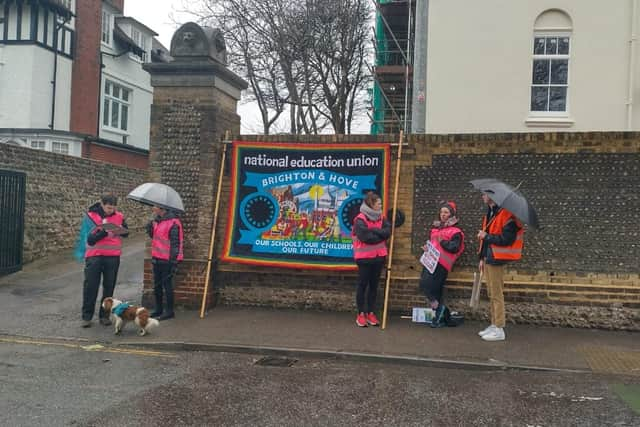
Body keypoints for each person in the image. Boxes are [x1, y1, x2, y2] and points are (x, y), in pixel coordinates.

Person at [476, 191, 524, 341]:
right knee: (491, 293)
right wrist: (482, 258)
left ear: (492, 196)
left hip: (497, 258)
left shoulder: (506, 214)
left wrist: (486, 236)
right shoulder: (491, 212)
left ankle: (499, 328)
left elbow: (507, 239)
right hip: (489, 258)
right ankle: (494, 323)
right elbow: (487, 241)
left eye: (484, 194)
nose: (482, 196)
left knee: (496, 294)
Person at [81, 194, 129, 328]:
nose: (111, 210)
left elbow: (126, 233)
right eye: (108, 207)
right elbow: (89, 239)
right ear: (102, 204)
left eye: (113, 208)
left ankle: (104, 316)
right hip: (94, 256)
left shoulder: (119, 216)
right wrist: (102, 233)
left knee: (109, 287)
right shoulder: (91, 216)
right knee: (91, 286)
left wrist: (120, 230)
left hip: (113, 257)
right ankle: (87, 317)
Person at [418, 201, 465, 328]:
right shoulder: (435, 228)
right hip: (430, 262)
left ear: (451, 214)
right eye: (441, 212)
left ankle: (440, 313)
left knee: (429, 287)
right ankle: (441, 313)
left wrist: (443, 241)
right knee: (426, 286)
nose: (443, 214)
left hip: (442, 264)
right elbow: (434, 244)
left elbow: (455, 248)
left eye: (446, 212)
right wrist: (427, 248)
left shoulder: (456, 231)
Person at [352, 192, 391, 327]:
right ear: (371, 205)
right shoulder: (360, 219)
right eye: (378, 203)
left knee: (374, 286)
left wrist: (375, 231)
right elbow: (365, 237)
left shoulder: (382, 217)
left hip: (379, 257)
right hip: (364, 259)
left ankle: (371, 312)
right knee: (363, 285)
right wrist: (379, 234)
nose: (381, 205)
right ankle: (361, 313)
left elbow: (387, 232)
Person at [146, 205, 184, 320]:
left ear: (162, 208)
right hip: (156, 258)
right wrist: (150, 229)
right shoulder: (157, 221)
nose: (153, 208)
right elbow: (156, 238)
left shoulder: (173, 222)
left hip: (167, 260)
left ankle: (169, 311)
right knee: (157, 286)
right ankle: (158, 309)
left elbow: (175, 244)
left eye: (155, 206)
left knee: (167, 286)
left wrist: (174, 262)